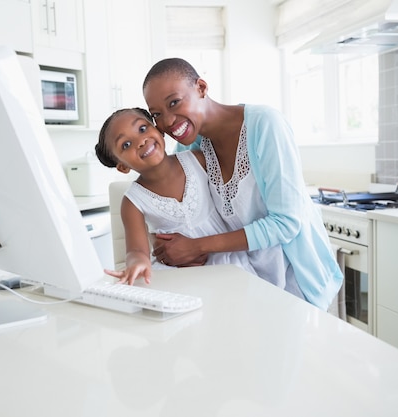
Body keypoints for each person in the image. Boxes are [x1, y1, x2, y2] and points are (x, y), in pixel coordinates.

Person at [142, 58, 343, 310]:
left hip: (294, 279)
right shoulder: (190, 144)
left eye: (174, 102)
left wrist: (196, 246)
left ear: (201, 88)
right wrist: (163, 244)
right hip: (241, 280)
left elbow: (286, 223)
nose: (168, 121)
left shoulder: (266, 124)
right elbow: (167, 205)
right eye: (156, 114)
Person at [95, 107, 286, 285]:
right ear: (122, 166)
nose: (141, 141)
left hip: (227, 259)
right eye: (126, 144)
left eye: (143, 128)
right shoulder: (132, 201)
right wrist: (137, 262)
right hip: (179, 272)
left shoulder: (198, 159)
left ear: (159, 130)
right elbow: (137, 250)